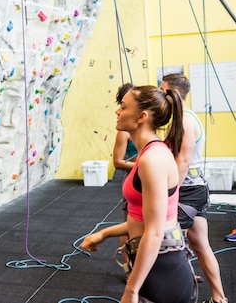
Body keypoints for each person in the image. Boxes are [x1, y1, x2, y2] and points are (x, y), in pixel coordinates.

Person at [81, 85, 196, 303]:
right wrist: (104, 234)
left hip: (162, 268)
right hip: (153, 263)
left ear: (142, 116)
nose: (117, 111)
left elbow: (154, 232)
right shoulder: (148, 154)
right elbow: (141, 220)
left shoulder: (152, 159)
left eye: (123, 107)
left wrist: (131, 290)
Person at [161, 73, 228, 303]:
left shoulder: (185, 121)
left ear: (175, 94)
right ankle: (219, 298)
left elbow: (183, 161)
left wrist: (169, 193)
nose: (162, 95)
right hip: (193, 190)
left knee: (164, 242)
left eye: (164, 91)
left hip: (188, 191)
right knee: (200, 245)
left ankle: (178, 288)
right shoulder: (182, 118)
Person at [111, 83, 137, 279]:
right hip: (134, 180)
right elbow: (118, 162)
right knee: (129, 225)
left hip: (148, 178)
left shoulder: (146, 126)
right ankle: (128, 267)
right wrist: (140, 165)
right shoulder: (124, 132)